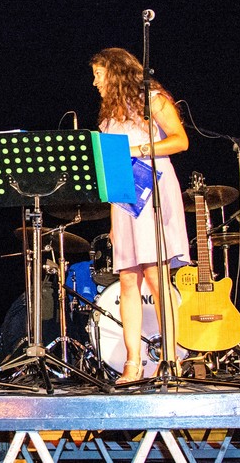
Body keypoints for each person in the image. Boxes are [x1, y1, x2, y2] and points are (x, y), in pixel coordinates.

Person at [90, 48, 190, 384]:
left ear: (116, 72)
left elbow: (180, 141)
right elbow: (111, 169)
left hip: (153, 189)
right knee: (128, 278)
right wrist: (112, 219)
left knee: (155, 275)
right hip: (124, 199)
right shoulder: (108, 119)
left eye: (99, 74)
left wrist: (137, 150)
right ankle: (132, 363)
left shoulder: (153, 100)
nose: (95, 82)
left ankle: (171, 357)